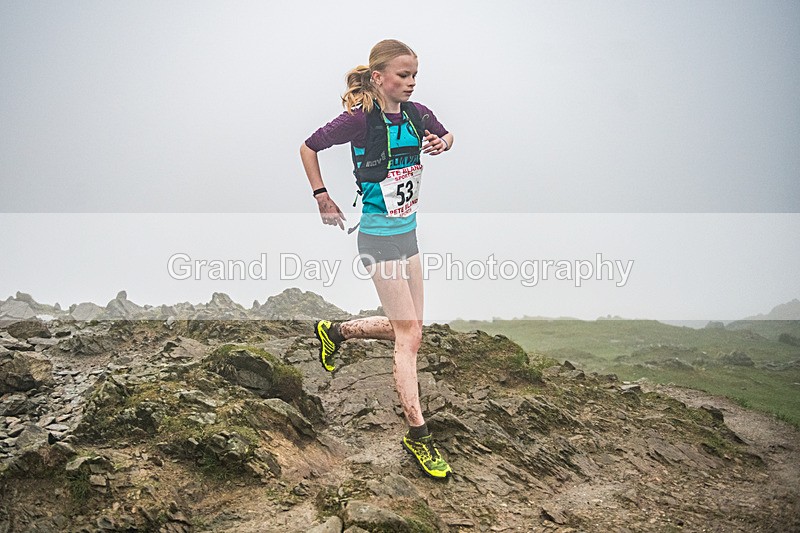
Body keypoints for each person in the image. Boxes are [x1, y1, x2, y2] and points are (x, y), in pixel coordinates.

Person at [300, 39, 454, 479]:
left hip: (409, 237)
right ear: (378, 77)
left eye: (414, 75)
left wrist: (442, 142)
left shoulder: (417, 114)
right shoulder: (359, 120)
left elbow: (448, 135)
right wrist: (322, 196)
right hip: (377, 239)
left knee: (411, 327)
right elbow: (308, 147)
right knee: (409, 337)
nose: (411, 82)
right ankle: (418, 434)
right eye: (403, 75)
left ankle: (336, 332)